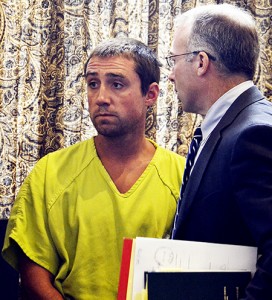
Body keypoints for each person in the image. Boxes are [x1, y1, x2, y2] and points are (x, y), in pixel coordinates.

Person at [2, 38, 185, 299]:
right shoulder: (50, 172)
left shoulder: (183, 176)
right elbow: (32, 273)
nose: (101, 98)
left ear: (150, 95)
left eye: (117, 84)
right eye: (92, 84)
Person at [167, 3, 272, 299]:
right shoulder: (229, 126)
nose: (171, 75)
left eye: (173, 59)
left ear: (201, 62)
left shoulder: (254, 134)